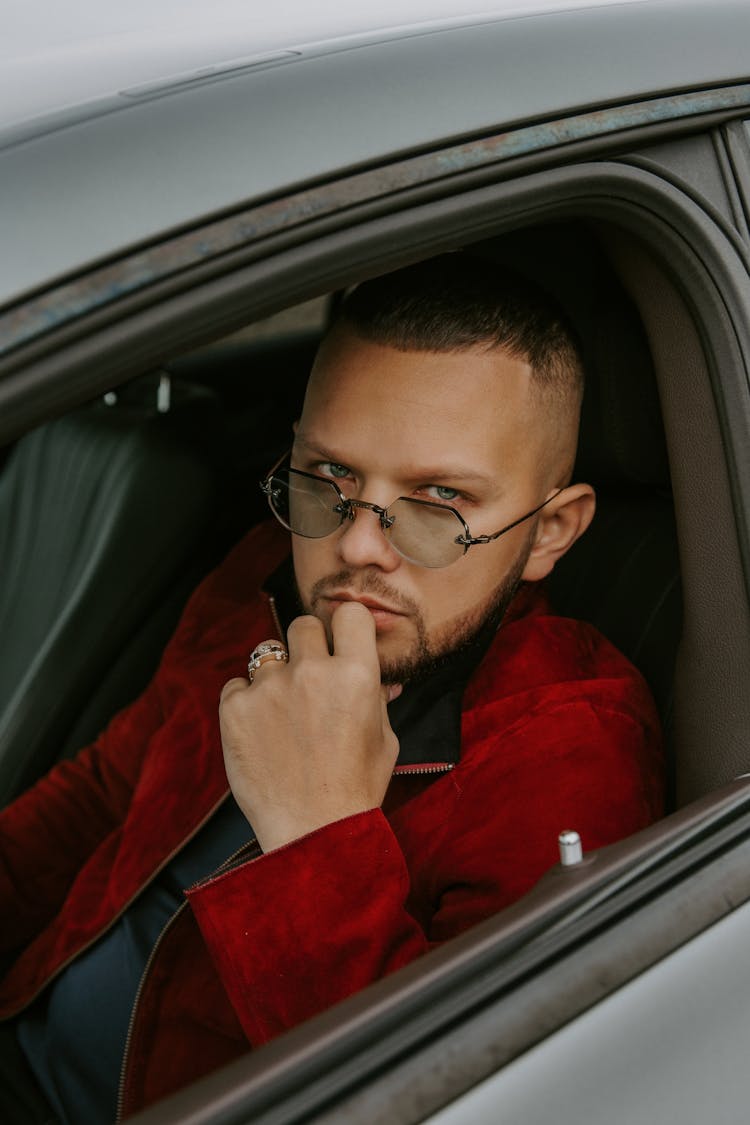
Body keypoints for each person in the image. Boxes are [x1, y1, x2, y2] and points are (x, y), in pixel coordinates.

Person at [0, 254, 664, 1123]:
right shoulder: (262, 580)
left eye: (437, 501)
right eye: (329, 479)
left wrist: (318, 831)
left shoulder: (563, 750)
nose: (355, 547)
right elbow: (102, 794)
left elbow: (451, 1094)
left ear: (548, 533)